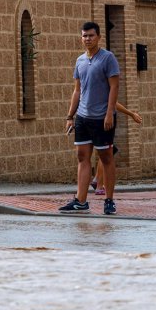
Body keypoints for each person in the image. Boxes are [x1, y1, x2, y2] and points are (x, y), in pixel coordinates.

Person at [60, 21, 120, 215]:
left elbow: (114, 87)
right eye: (84, 36)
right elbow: (77, 90)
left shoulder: (108, 58)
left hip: (102, 118)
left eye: (91, 35)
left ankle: (109, 200)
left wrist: (110, 112)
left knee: (106, 158)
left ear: (99, 37)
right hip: (83, 117)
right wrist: (70, 116)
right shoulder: (80, 61)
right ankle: (81, 200)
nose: (87, 39)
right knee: (82, 157)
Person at [90, 103, 142, 195]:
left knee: (107, 151)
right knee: (106, 153)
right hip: (103, 121)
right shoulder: (106, 90)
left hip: (97, 120)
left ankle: (97, 180)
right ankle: (98, 185)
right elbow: (114, 104)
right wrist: (131, 114)